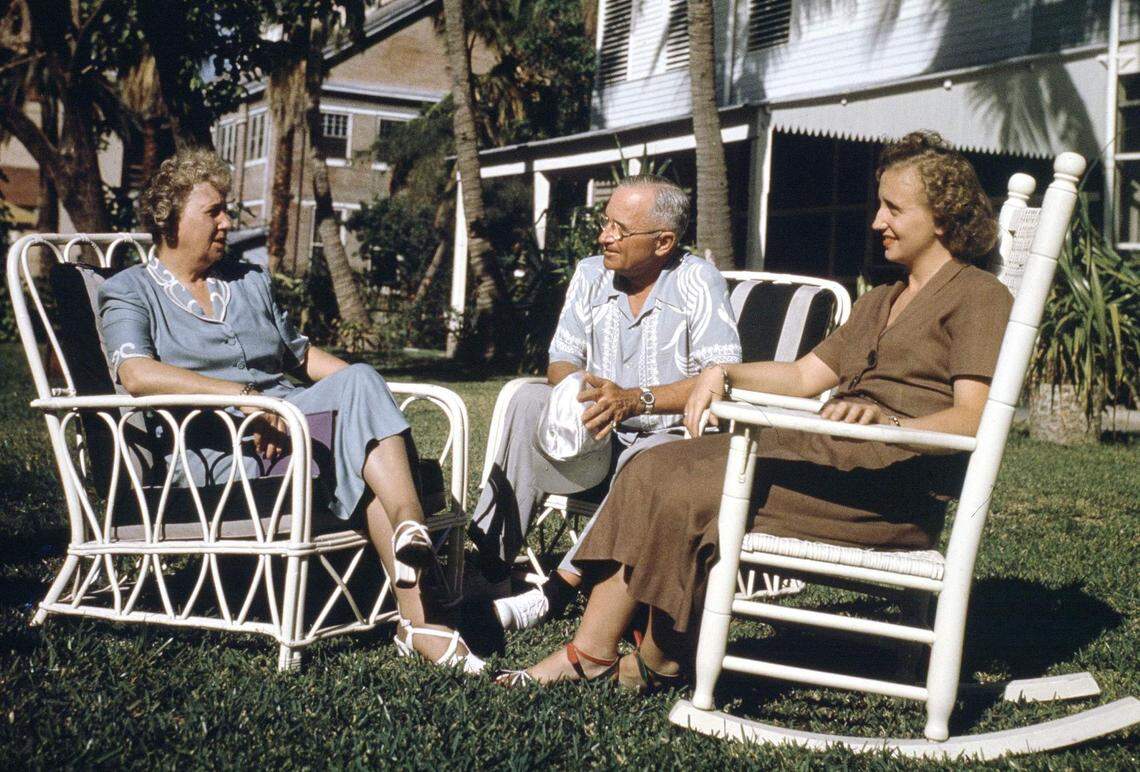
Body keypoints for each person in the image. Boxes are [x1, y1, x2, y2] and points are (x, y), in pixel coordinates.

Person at [501, 130, 1013, 687]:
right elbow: (801, 375)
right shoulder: (882, 300)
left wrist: (890, 424)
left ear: (941, 218)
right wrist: (721, 373)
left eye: (893, 209)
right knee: (654, 468)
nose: (876, 222)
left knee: (683, 483)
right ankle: (601, 651)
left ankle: (657, 654)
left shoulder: (980, 296)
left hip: (886, 488)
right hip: (829, 462)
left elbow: (976, 417)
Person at [97, 149, 482, 673]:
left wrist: (364, 394)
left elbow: (300, 357)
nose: (227, 222)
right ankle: (420, 606)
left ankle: (413, 565)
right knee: (361, 438)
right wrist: (247, 400)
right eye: (214, 212)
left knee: (361, 391)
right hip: (217, 450)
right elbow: (137, 373)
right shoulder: (130, 290)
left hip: (294, 424)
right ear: (170, 218)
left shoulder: (247, 280)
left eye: (225, 210)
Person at [470, 174, 741, 631]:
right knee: (525, 401)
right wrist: (584, 393)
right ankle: (490, 564)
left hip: (665, 440)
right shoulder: (591, 273)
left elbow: (720, 377)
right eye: (605, 223)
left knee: (652, 456)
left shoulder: (698, 280)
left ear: (663, 242)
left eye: (619, 228)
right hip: (595, 436)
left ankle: (556, 591)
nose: (604, 236)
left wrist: (636, 402)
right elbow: (561, 358)